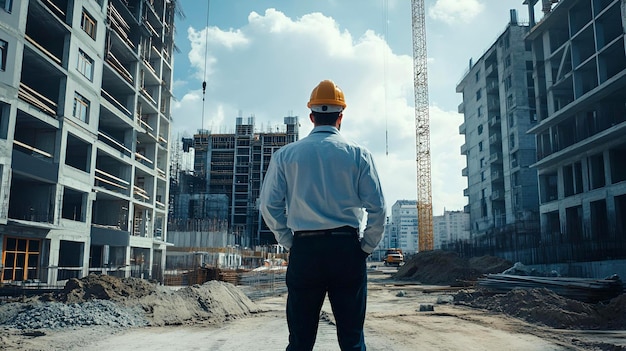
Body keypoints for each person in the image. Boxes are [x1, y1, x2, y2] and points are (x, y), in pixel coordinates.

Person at [259, 79, 387, 351]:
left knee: (300, 341)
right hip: (346, 250)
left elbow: (269, 206)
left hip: (305, 250)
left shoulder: (286, 155)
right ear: (341, 117)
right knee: (352, 341)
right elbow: (378, 208)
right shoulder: (358, 154)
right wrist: (365, 247)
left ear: (311, 117)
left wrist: (289, 241)